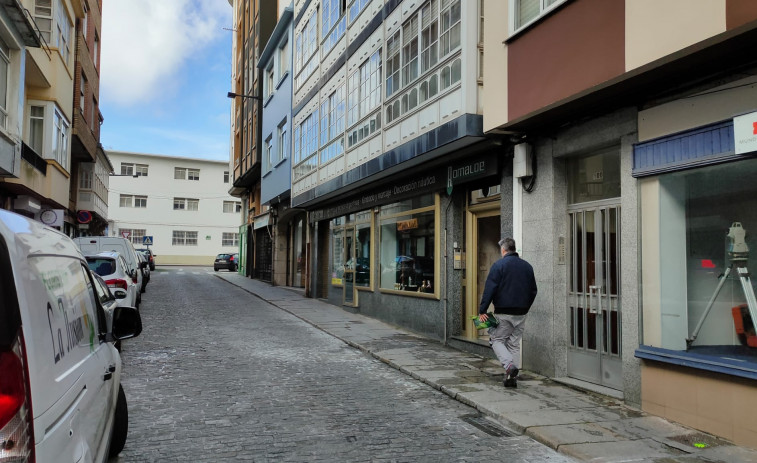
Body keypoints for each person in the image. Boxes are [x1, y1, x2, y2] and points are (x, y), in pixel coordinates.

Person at [478, 237, 537, 388]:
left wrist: (482, 310)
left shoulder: (499, 265)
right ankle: (511, 379)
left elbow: (490, 289)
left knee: (496, 340)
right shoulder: (527, 266)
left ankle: (509, 367)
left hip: (504, 312)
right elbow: (533, 291)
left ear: (503, 250)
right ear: (513, 248)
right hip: (521, 313)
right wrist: (525, 307)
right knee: (514, 344)